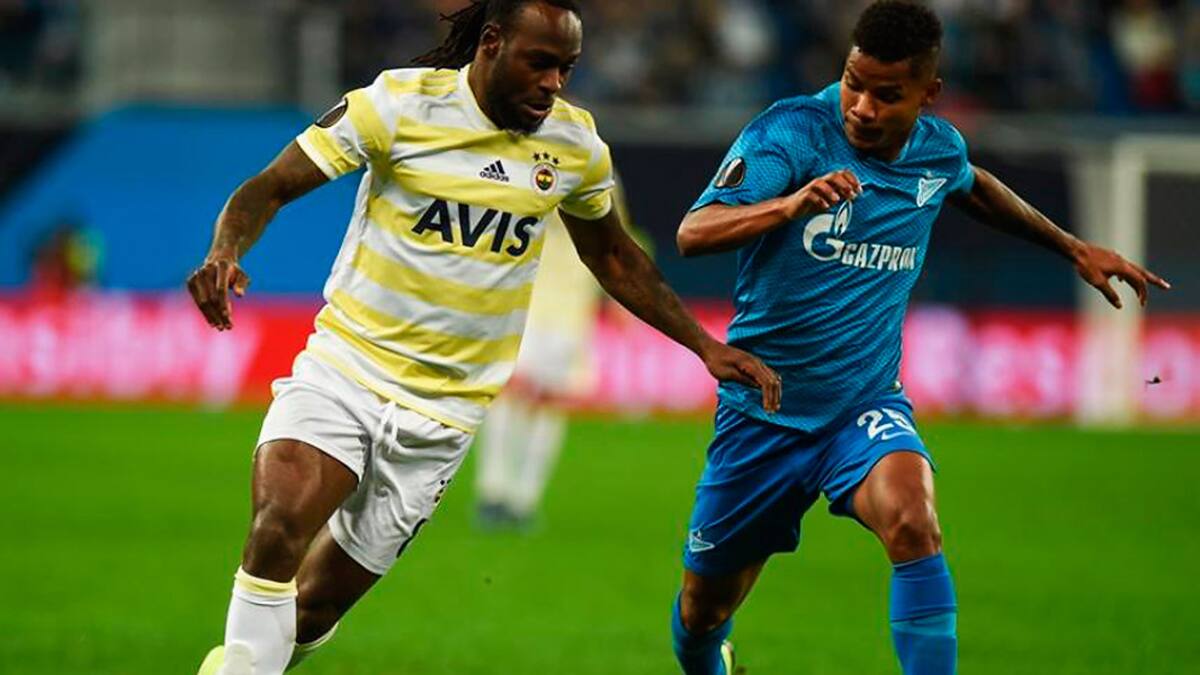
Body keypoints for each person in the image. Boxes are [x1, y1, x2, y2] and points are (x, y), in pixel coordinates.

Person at [187, 2, 780, 674]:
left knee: (314, 608)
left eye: (566, 68)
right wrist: (224, 250)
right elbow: (268, 187)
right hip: (348, 369)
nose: (554, 83)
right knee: (277, 527)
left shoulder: (575, 146)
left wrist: (704, 345)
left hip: (444, 414)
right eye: (541, 63)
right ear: (492, 43)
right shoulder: (398, 105)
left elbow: (614, 256)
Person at [668, 3, 1170, 674]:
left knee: (913, 518)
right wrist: (787, 205)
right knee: (703, 610)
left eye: (886, 94)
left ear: (927, 93)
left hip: (862, 405)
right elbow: (693, 231)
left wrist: (1072, 246)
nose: (862, 107)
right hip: (764, 411)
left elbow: (973, 185)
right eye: (854, 83)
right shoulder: (791, 132)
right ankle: (711, 658)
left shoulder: (937, 148)